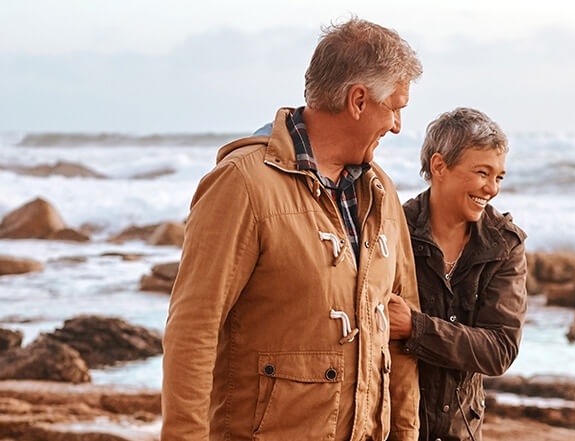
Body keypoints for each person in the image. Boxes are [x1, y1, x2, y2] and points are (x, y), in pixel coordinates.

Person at [161, 17, 423, 441]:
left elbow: (400, 325)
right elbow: (193, 328)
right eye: (394, 107)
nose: (397, 125)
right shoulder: (242, 183)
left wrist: (405, 434)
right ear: (358, 100)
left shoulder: (382, 193)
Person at [388, 107, 528, 441]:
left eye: (499, 177)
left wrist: (415, 327)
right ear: (439, 166)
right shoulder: (392, 228)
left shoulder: (503, 245)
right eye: (482, 172)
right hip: (390, 427)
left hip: (462, 433)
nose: (492, 188)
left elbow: (499, 350)